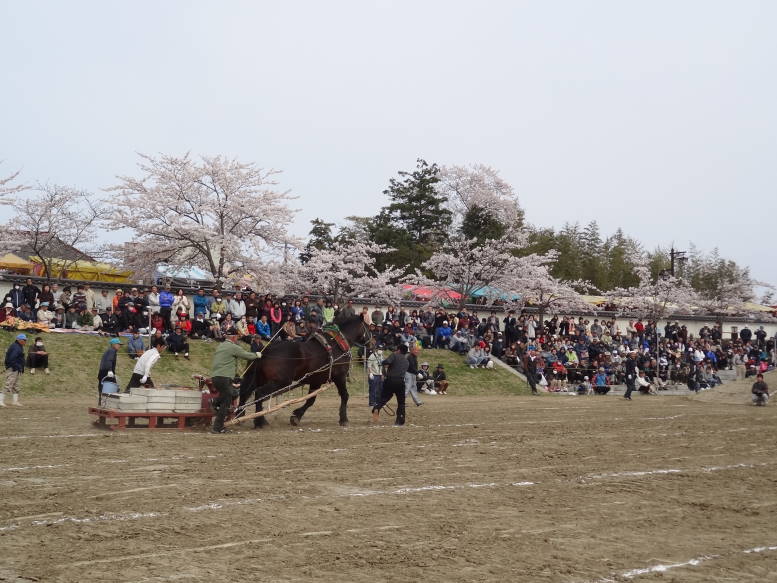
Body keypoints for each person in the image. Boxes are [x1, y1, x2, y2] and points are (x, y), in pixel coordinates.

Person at [210, 331, 261, 434]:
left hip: (216, 377)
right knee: (226, 402)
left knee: (234, 393)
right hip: (224, 378)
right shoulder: (232, 347)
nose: (237, 339)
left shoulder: (221, 346)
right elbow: (246, 355)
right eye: (237, 337)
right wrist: (257, 355)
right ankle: (217, 427)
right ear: (233, 337)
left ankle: (215, 401)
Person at [371, 344, 410, 426]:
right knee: (401, 402)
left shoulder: (394, 355)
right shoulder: (407, 361)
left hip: (390, 380)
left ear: (399, 350)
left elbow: (387, 362)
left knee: (385, 397)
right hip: (400, 382)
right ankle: (400, 420)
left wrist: (382, 362)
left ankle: (377, 408)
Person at [2, 333, 27, 407]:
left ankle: (15, 401)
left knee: (16, 385)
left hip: (16, 368)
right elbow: (11, 359)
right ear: (19, 340)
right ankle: (0, 400)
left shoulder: (18, 346)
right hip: (13, 369)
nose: (25, 341)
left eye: (25, 340)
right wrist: (16, 367)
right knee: (8, 384)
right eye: (24, 340)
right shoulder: (16, 347)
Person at [97, 338, 122, 402]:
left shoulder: (109, 350)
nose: (120, 346)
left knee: (102, 387)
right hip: (107, 372)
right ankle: (109, 402)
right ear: (113, 344)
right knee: (114, 387)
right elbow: (109, 360)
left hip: (102, 371)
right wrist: (110, 370)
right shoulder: (112, 351)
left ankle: (101, 402)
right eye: (118, 344)